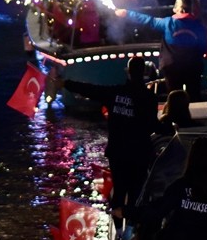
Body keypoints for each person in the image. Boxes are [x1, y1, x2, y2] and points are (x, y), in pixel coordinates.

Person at [62, 56, 158, 215]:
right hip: (139, 153)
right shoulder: (149, 98)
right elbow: (153, 125)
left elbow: (91, 90)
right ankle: (132, 222)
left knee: (119, 190)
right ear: (144, 72)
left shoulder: (114, 93)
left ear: (128, 72)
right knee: (137, 191)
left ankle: (117, 223)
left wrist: (66, 83)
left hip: (118, 152)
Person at [115, 0, 207, 99]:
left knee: (174, 96)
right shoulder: (199, 26)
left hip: (171, 67)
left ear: (178, 9)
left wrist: (127, 13)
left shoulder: (167, 23)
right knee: (194, 96)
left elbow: (147, 20)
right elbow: (203, 47)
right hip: (193, 67)